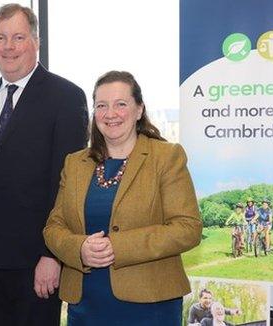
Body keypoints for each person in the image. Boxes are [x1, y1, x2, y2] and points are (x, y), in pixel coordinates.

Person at [0, 4, 88, 325]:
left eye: (18, 37)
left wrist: (52, 255)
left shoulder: (66, 97)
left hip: (37, 261)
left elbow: (69, 185)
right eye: (0, 38)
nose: (8, 46)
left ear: (36, 41)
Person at [43, 71, 202, 325]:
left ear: (139, 109)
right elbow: (54, 227)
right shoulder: (75, 163)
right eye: (101, 106)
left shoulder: (166, 157)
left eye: (121, 104)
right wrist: (80, 249)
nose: (110, 113)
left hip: (151, 306)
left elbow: (188, 228)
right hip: (85, 307)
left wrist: (118, 247)